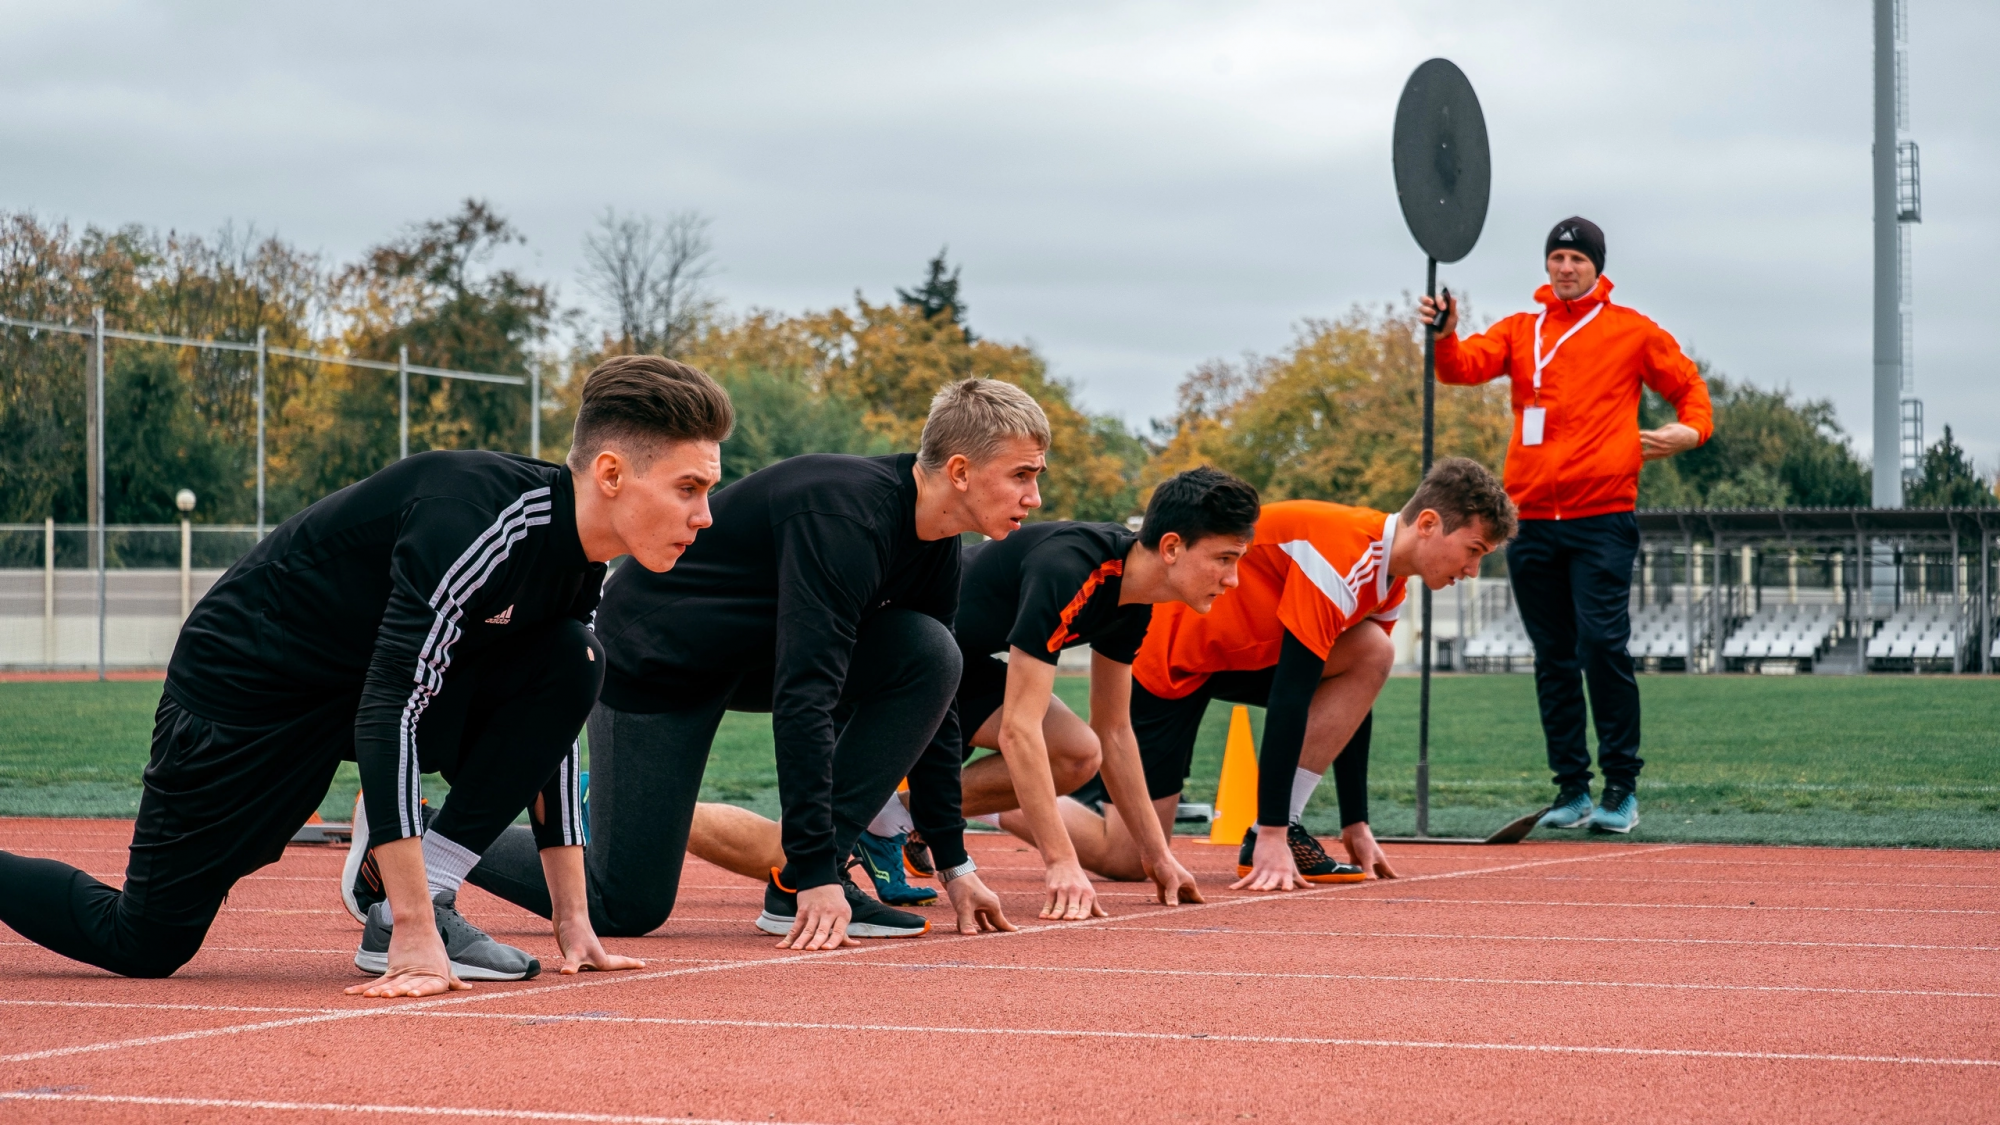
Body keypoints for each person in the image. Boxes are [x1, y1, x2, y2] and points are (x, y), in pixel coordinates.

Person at [0, 354, 729, 996]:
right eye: (688, 487)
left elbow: (553, 724)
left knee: (575, 660)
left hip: (359, 685)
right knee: (145, 941)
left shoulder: (582, 567)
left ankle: (410, 892)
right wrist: (416, 935)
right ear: (610, 473)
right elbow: (392, 709)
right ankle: (406, 909)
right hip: (248, 689)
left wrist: (576, 919)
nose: (705, 516)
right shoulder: (476, 519)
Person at [465, 379, 1044, 951]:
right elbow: (805, 699)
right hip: (658, 659)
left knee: (931, 654)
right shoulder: (847, 517)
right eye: (1022, 475)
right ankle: (416, 834)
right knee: (625, 904)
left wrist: (954, 862)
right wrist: (820, 873)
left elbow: (934, 708)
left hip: (755, 658)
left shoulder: (935, 543)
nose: (1034, 496)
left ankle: (794, 884)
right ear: (962, 472)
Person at [719, 466, 1261, 920]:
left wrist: (1158, 856)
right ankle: (652, 811)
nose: (1233, 579)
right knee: (792, 846)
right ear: (1171, 547)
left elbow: (1115, 731)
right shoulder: (1071, 569)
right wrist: (1061, 861)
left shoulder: (1131, 600)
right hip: (892, 670)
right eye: (1225, 559)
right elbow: (1019, 731)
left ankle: (894, 821)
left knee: (1079, 752)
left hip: (955, 666)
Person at [1064, 459, 1517, 889]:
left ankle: (1281, 823)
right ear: (1429, 524)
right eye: (1473, 551)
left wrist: (1355, 822)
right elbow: (1290, 699)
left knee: (1372, 653)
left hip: (1239, 656)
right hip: (1169, 655)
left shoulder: (1389, 581)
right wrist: (1271, 835)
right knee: (1129, 858)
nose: (1473, 570)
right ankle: (1009, 800)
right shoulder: (1341, 556)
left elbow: (1351, 697)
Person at [1424, 216, 1712, 834]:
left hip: (1602, 516)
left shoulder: (1631, 331)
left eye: (1577, 258)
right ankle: (1573, 789)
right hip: (1528, 522)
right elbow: (1461, 368)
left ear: (1597, 268)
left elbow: (1689, 386)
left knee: (1602, 646)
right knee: (1553, 657)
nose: (1565, 267)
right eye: (1556, 256)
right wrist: (1445, 335)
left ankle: (1622, 790)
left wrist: (1690, 430)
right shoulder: (1521, 331)